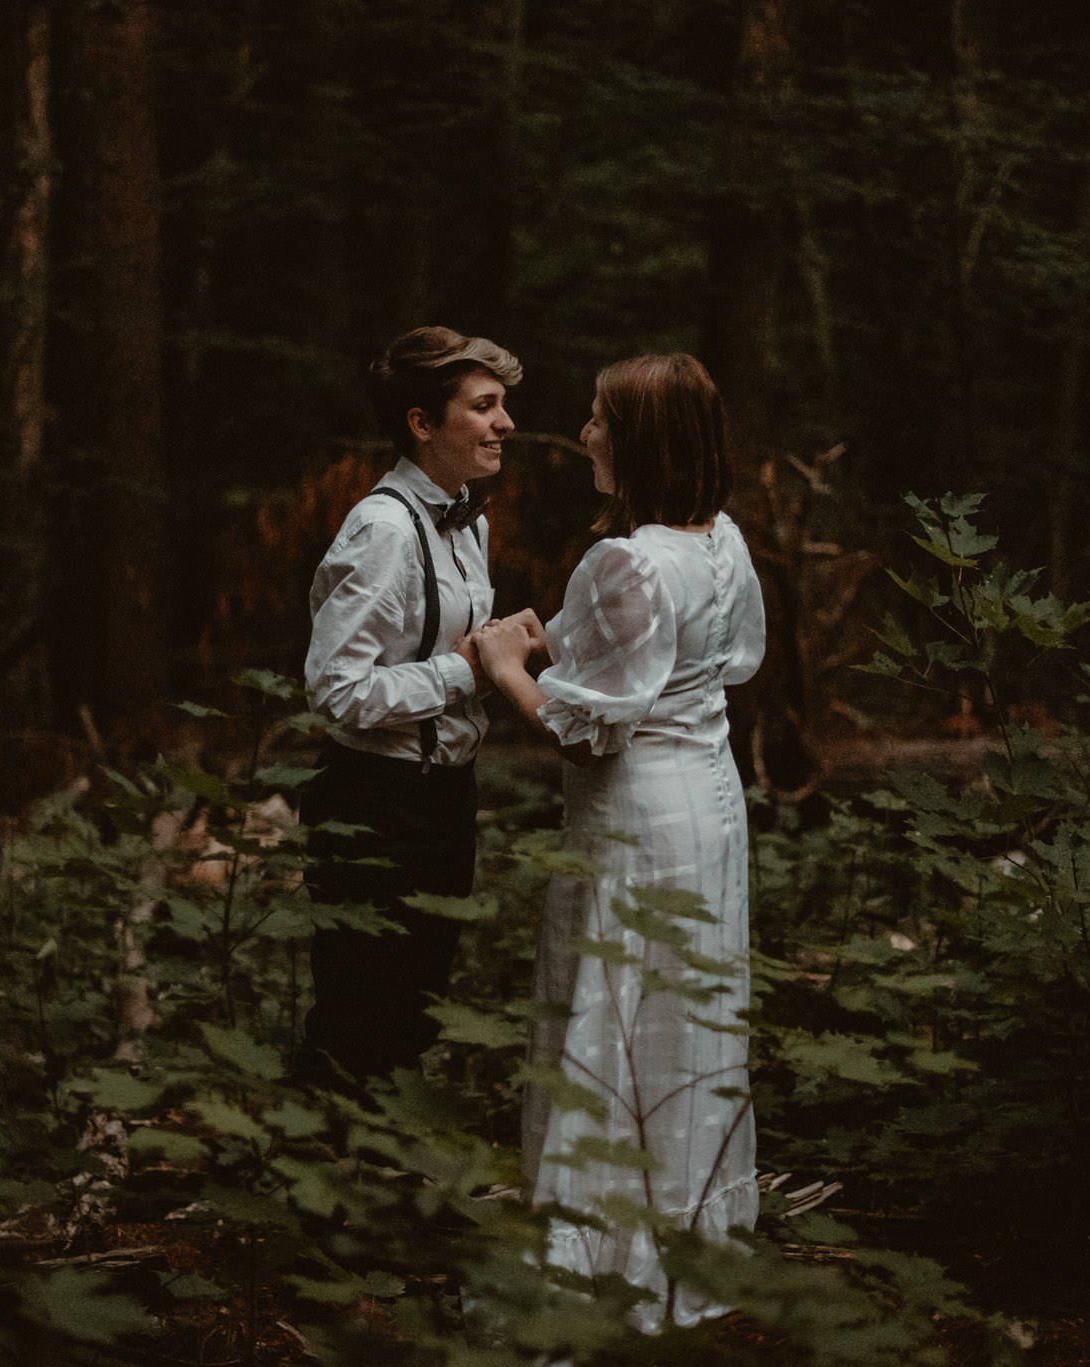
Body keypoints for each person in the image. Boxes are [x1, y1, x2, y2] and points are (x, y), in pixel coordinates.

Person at [472, 353, 767, 1331]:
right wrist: (553, 636)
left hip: (637, 807)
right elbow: (686, 653)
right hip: (709, 802)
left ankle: (600, 1260)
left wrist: (506, 660)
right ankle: (684, 1246)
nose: (585, 434)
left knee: (615, 1001)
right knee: (682, 1009)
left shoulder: (626, 559)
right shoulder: (719, 541)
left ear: (638, 441)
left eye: (599, 420)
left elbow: (577, 722)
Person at [300, 326, 524, 1081]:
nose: (505, 423)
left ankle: (386, 1180)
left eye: (503, 406)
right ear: (422, 424)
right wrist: (465, 669)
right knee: (357, 1017)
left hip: (444, 797)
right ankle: (316, 1174)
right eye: (484, 406)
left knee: (416, 1012)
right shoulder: (384, 528)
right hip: (375, 803)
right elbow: (337, 688)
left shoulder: (470, 518)